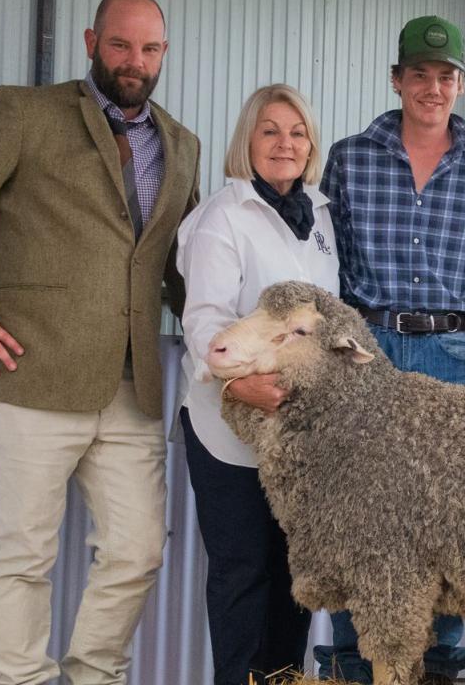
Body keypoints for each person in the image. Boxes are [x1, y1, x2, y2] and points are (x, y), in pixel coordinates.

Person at [0, 0, 200, 685]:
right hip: (31, 377)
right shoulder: (26, 113)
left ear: (164, 54)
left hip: (133, 388)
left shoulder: (181, 143)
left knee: (137, 551)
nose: (135, 61)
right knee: (22, 556)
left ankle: (93, 675)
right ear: (92, 40)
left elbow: (181, 266)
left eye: (150, 48)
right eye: (122, 45)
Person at [312, 15, 465, 685]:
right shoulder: (348, 157)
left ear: (462, 83)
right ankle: (352, 665)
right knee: (356, 522)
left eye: (446, 75)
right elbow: (331, 265)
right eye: (420, 75)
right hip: (366, 357)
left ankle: (437, 668)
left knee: (446, 525)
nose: (433, 87)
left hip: (449, 357)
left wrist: (456, 340)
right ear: (397, 79)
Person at [174, 83, 337, 685]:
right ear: (248, 140)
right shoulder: (223, 215)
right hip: (229, 424)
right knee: (242, 569)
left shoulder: (320, 215)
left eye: (296, 133)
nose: (284, 143)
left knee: (295, 570)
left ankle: (284, 679)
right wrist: (240, 385)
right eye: (270, 130)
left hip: (296, 433)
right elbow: (205, 318)